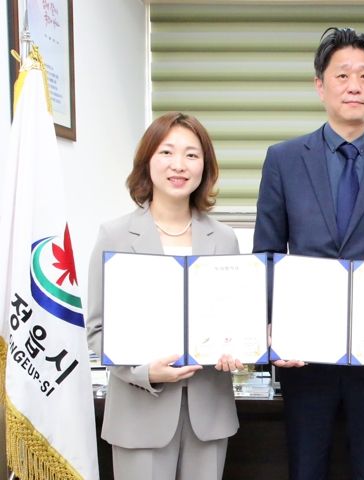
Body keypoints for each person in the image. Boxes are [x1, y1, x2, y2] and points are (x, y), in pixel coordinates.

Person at [253, 27, 364, 480]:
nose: (354, 86)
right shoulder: (284, 159)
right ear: (320, 85)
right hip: (303, 351)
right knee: (305, 468)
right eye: (342, 75)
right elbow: (267, 252)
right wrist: (271, 329)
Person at [86, 112, 242, 480]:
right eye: (167, 152)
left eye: (192, 155)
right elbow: (96, 328)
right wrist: (144, 372)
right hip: (139, 413)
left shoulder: (224, 239)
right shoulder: (115, 235)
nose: (179, 165)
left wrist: (237, 349)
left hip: (209, 415)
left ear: (205, 166)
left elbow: (234, 322)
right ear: (147, 161)